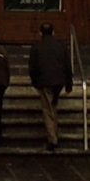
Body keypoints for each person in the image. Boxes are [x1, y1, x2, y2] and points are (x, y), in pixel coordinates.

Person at [29, 21, 74, 151]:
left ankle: (53, 139)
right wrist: (68, 84)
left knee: (47, 110)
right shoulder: (61, 46)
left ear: (40, 33)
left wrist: (35, 82)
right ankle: (55, 133)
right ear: (53, 32)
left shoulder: (37, 46)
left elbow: (33, 67)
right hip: (58, 82)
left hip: (45, 82)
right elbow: (67, 65)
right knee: (53, 106)